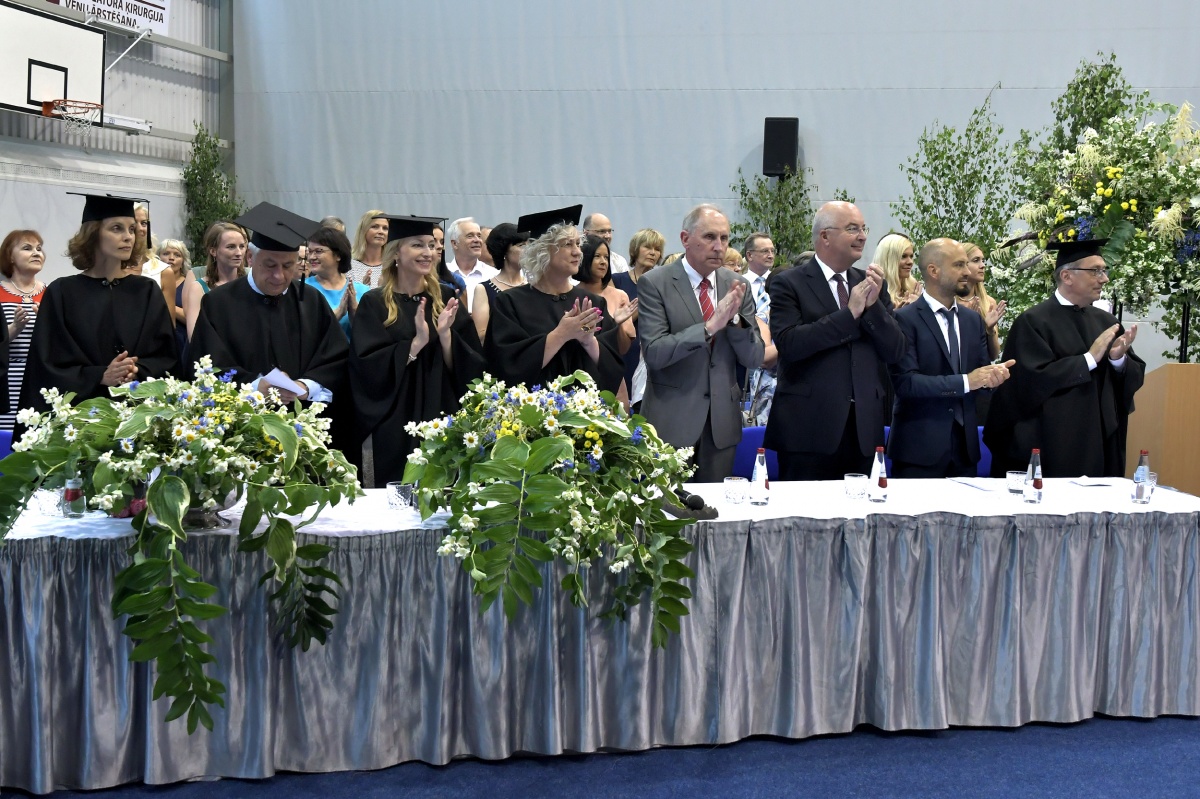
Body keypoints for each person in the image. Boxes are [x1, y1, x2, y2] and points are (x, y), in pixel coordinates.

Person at [764, 201, 906, 480]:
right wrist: (849, 314)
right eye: (852, 229)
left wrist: (873, 308)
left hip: (864, 429)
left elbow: (896, 350)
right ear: (825, 236)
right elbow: (790, 344)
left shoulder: (870, 284)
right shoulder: (789, 283)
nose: (862, 236)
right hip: (808, 430)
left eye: (863, 229)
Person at [984, 238, 1144, 478]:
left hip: (1097, 443)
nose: (1104, 279)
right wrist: (1088, 360)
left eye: (1104, 270)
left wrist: (1117, 360)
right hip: (1051, 443)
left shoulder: (1107, 322)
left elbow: (1130, 381)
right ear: (1067, 276)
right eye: (1095, 271)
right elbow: (1027, 383)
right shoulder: (1034, 322)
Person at [350, 216, 485, 487]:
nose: (427, 252)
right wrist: (415, 345)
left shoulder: (446, 298)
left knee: (441, 488)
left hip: (442, 407)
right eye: (417, 245)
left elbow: (471, 366)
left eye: (431, 245)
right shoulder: (375, 302)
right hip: (394, 416)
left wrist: (445, 336)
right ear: (395, 253)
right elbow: (366, 367)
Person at [637, 204, 764, 482]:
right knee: (668, 506)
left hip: (721, 424)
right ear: (685, 239)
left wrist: (735, 322)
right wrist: (708, 327)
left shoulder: (737, 285)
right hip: (670, 423)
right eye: (709, 237)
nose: (719, 246)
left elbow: (754, 357)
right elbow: (655, 353)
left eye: (724, 238)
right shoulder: (655, 283)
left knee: (716, 506)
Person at [21, 193, 177, 410]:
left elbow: (166, 357)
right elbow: (46, 366)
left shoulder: (146, 291)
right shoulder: (62, 293)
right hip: (80, 417)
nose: (128, 237)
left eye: (132, 229)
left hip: (137, 413)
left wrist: (137, 370)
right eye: (117, 228)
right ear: (93, 234)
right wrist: (99, 376)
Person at [189, 202, 349, 406]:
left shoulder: (311, 301)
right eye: (270, 265)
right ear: (250, 258)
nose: (279, 275)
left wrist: (306, 386)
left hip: (304, 416)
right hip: (241, 416)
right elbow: (207, 365)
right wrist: (255, 387)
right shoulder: (218, 303)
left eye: (287, 265)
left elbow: (335, 358)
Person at [887, 239, 1014, 478]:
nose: (967, 272)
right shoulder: (903, 319)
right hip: (918, 451)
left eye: (967, 264)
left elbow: (978, 375)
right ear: (933, 271)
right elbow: (906, 383)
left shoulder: (972, 320)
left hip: (965, 451)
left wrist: (992, 378)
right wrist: (967, 381)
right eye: (958, 265)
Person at [486, 205, 624, 393]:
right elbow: (505, 366)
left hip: (586, 408)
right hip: (533, 407)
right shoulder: (511, 303)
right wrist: (561, 334)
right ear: (542, 251)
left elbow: (613, 369)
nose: (577, 252)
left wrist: (589, 341)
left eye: (578, 244)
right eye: (568, 244)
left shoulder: (593, 303)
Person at [611, 228, 665, 411]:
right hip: (625, 351)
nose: (653, 253)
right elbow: (613, 321)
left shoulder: (663, 283)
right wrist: (643, 302)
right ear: (635, 249)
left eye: (657, 249)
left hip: (651, 354)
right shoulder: (617, 281)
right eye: (647, 247)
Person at [0, 230, 46, 430]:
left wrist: (46, 325)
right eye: (27, 248)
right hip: (6, 380)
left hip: (40, 379)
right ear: (10, 256)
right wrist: (13, 329)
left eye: (39, 248)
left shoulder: (52, 293)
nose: (36, 253)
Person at [304, 225, 369, 340]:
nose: (312, 257)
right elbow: (303, 332)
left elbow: (370, 335)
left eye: (318, 251)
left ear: (338, 255)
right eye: (310, 252)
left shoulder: (362, 291)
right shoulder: (302, 289)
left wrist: (354, 313)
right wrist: (338, 313)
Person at [184, 221, 247, 340]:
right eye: (231, 247)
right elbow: (195, 335)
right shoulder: (198, 288)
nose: (239, 253)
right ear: (213, 251)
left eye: (242, 246)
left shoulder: (251, 281)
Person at [470, 222, 530, 344]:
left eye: (529, 245)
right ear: (504, 251)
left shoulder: (534, 285)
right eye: (521, 245)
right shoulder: (483, 289)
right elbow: (481, 335)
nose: (528, 250)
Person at [960, 242, 1006, 360]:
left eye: (983, 261)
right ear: (962, 265)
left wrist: (989, 330)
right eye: (976, 260)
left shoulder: (988, 302)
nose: (982, 265)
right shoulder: (950, 302)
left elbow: (993, 355)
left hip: (983, 367)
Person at [131, 201, 177, 315]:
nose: (140, 228)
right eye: (134, 223)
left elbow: (168, 320)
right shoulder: (110, 268)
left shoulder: (162, 271)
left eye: (144, 223)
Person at [158, 238, 194, 365]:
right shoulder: (151, 282)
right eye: (166, 253)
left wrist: (167, 302)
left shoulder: (190, 284)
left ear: (183, 260)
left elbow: (191, 318)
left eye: (177, 255)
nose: (171, 258)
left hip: (181, 340)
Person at [445, 217, 496, 304]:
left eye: (479, 236)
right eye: (470, 236)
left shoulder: (493, 275)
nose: (477, 240)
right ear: (454, 243)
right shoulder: (443, 273)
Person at [873, 232, 922, 309]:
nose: (910, 262)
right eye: (903, 256)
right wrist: (899, 313)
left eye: (911, 256)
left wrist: (919, 305)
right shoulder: (873, 291)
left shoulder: (915, 289)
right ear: (888, 259)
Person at [349, 210, 388, 287]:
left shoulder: (392, 266)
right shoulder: (349, 266)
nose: (381, 232)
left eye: (385, 228)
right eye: (375, 227)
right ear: (364, 230)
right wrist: (363, 288)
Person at [742, 232, 775, 319]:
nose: (771, 256)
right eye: (765, 251)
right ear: (749, 255)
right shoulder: (740, 284)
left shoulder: (781, 281)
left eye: (772, 251)